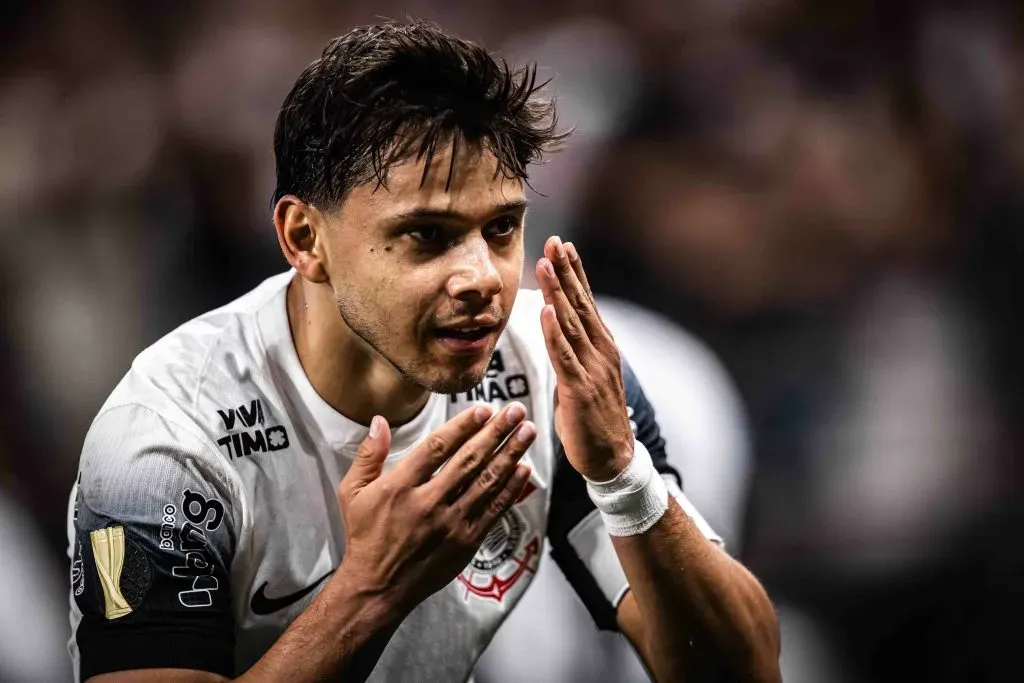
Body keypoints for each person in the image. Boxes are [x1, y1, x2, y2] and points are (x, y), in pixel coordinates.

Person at [67, 21, 780, 683]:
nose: (480, 278)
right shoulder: (164, 441)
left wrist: (623, 477)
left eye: (501, 229)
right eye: (427, 236)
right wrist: (371, 588)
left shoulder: (550, 372)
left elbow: (741, 669)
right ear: (304, 239)